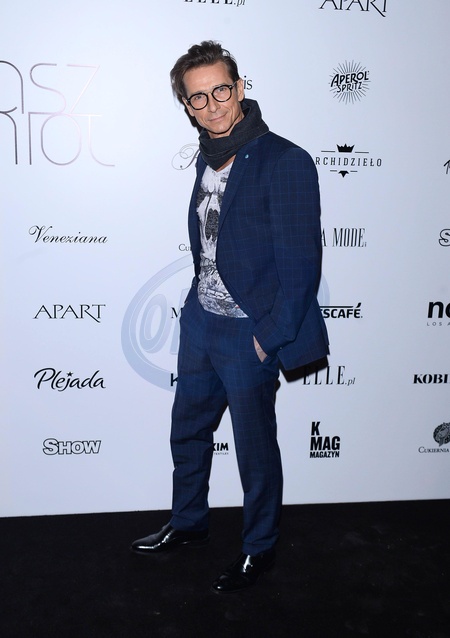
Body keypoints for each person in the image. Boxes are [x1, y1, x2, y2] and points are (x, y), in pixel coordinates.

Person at [131, 41, 329, 594]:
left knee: (254, 449)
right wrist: (196, 308)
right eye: (198, 97)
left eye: (221, 90)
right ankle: (189, 522)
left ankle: (259, 547)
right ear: (187, 106)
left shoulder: (285, 161)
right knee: (188, 431)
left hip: (249, 333)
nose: (213, 105)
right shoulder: (208, 154)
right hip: (201, 323)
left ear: (240, 88)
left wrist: (267, 339)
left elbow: (302, 267)